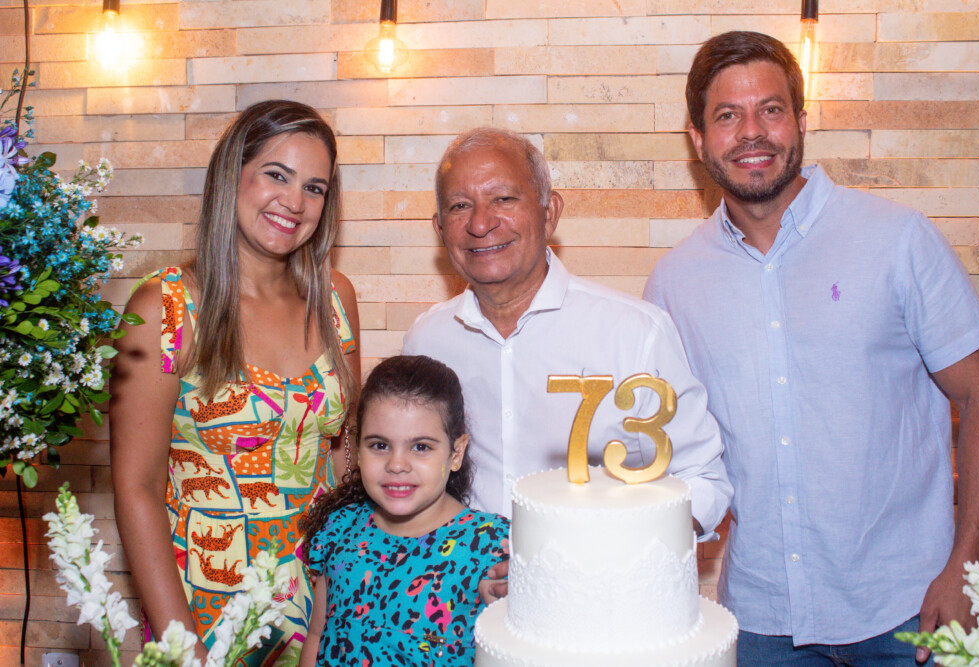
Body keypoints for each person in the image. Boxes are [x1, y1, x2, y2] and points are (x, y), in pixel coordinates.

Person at [643, 30, 979, 666]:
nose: (752, 132)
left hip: (911, 608)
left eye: (770, 109)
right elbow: (673, 451)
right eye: (727, 116)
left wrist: (969, 565)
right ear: (697, 140)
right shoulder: (674, 282)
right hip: (762, 622)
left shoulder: (897, 240)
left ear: (801, 122)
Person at [402, 127, 733, 599]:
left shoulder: (634, 333)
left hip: (602, 605)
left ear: (549, 211)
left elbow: (704, 480)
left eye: (504, 198)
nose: (481, 223)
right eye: (459, 206)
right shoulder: (426, 339)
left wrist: (611, 554)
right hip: (456, 611)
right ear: (439, 229)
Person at [110, 100, 361, 663]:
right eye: (277, 175)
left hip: (321, 602)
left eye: (315, 188)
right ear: (233, 174)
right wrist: (183, 647)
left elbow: (345, 453)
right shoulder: (163, 308)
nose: (294, 202)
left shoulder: (334, 298)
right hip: (204, 607)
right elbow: (137, 488)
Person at [298, 354, 508, 666]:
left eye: (421, 447)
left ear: (456, 452)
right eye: (379, 445)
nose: (396, 465)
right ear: (358, 449)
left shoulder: (491, 546)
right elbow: (317, 634)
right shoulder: (339, 528)